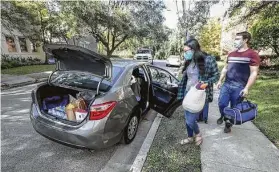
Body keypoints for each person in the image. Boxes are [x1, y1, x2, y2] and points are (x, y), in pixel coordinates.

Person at [177, 39, 220, 145]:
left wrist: (205, 82)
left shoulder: (209, 60)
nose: (185, 54)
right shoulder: (188, 61)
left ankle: (198, 134)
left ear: (194, 49)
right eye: (184, 51)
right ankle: (190, 137)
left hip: (199, 94)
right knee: (187, 118)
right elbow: (187, 78)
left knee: (190, 120)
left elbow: (216, 76)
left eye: (187, 51)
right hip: (188, 93)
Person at [216, 31, 260, 133]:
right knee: (221, 103)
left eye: (237, 39)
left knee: (234, 107)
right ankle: (223, 115)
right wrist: (219, 81)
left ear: (245, 40)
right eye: (235, 39)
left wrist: (247, 88)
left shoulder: (252, 54)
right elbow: (225, 68)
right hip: (226, 84)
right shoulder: (231, 54)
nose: (235, 41)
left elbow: (254, 73)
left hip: (239, 86)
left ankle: (228, 123)